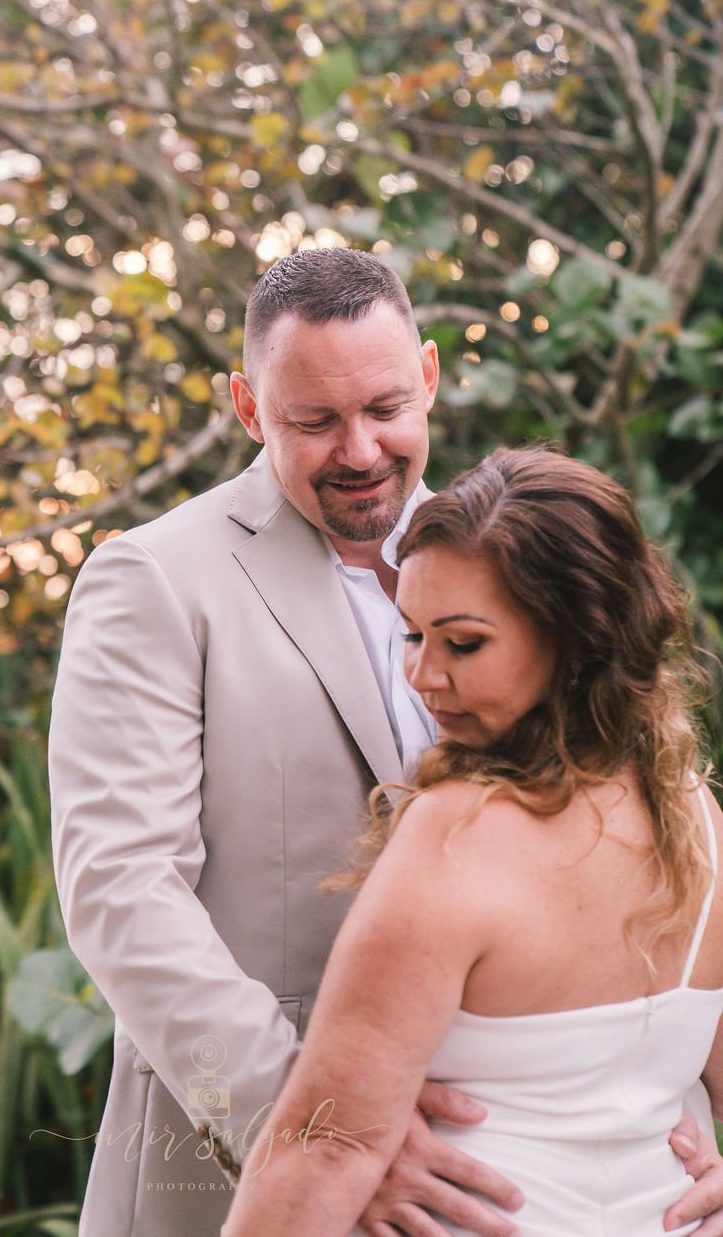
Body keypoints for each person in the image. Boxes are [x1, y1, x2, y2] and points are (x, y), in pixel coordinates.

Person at [48, 250, 722, 1237]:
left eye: (385, 407)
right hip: (257, 1169)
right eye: (313, 421)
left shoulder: (522, 556)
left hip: (593, 1174)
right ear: (247, 406)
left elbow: (667, 835)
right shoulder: (156, 580)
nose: (359, 449)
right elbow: (120, 890)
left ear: (432, 376)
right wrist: (323, 1123)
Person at [222, 446, 723, 1237]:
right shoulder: (694, 815)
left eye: (463, 644)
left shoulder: (455, 837)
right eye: (412, 634)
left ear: (577, 637)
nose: (422, 675)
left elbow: (325, 1149)